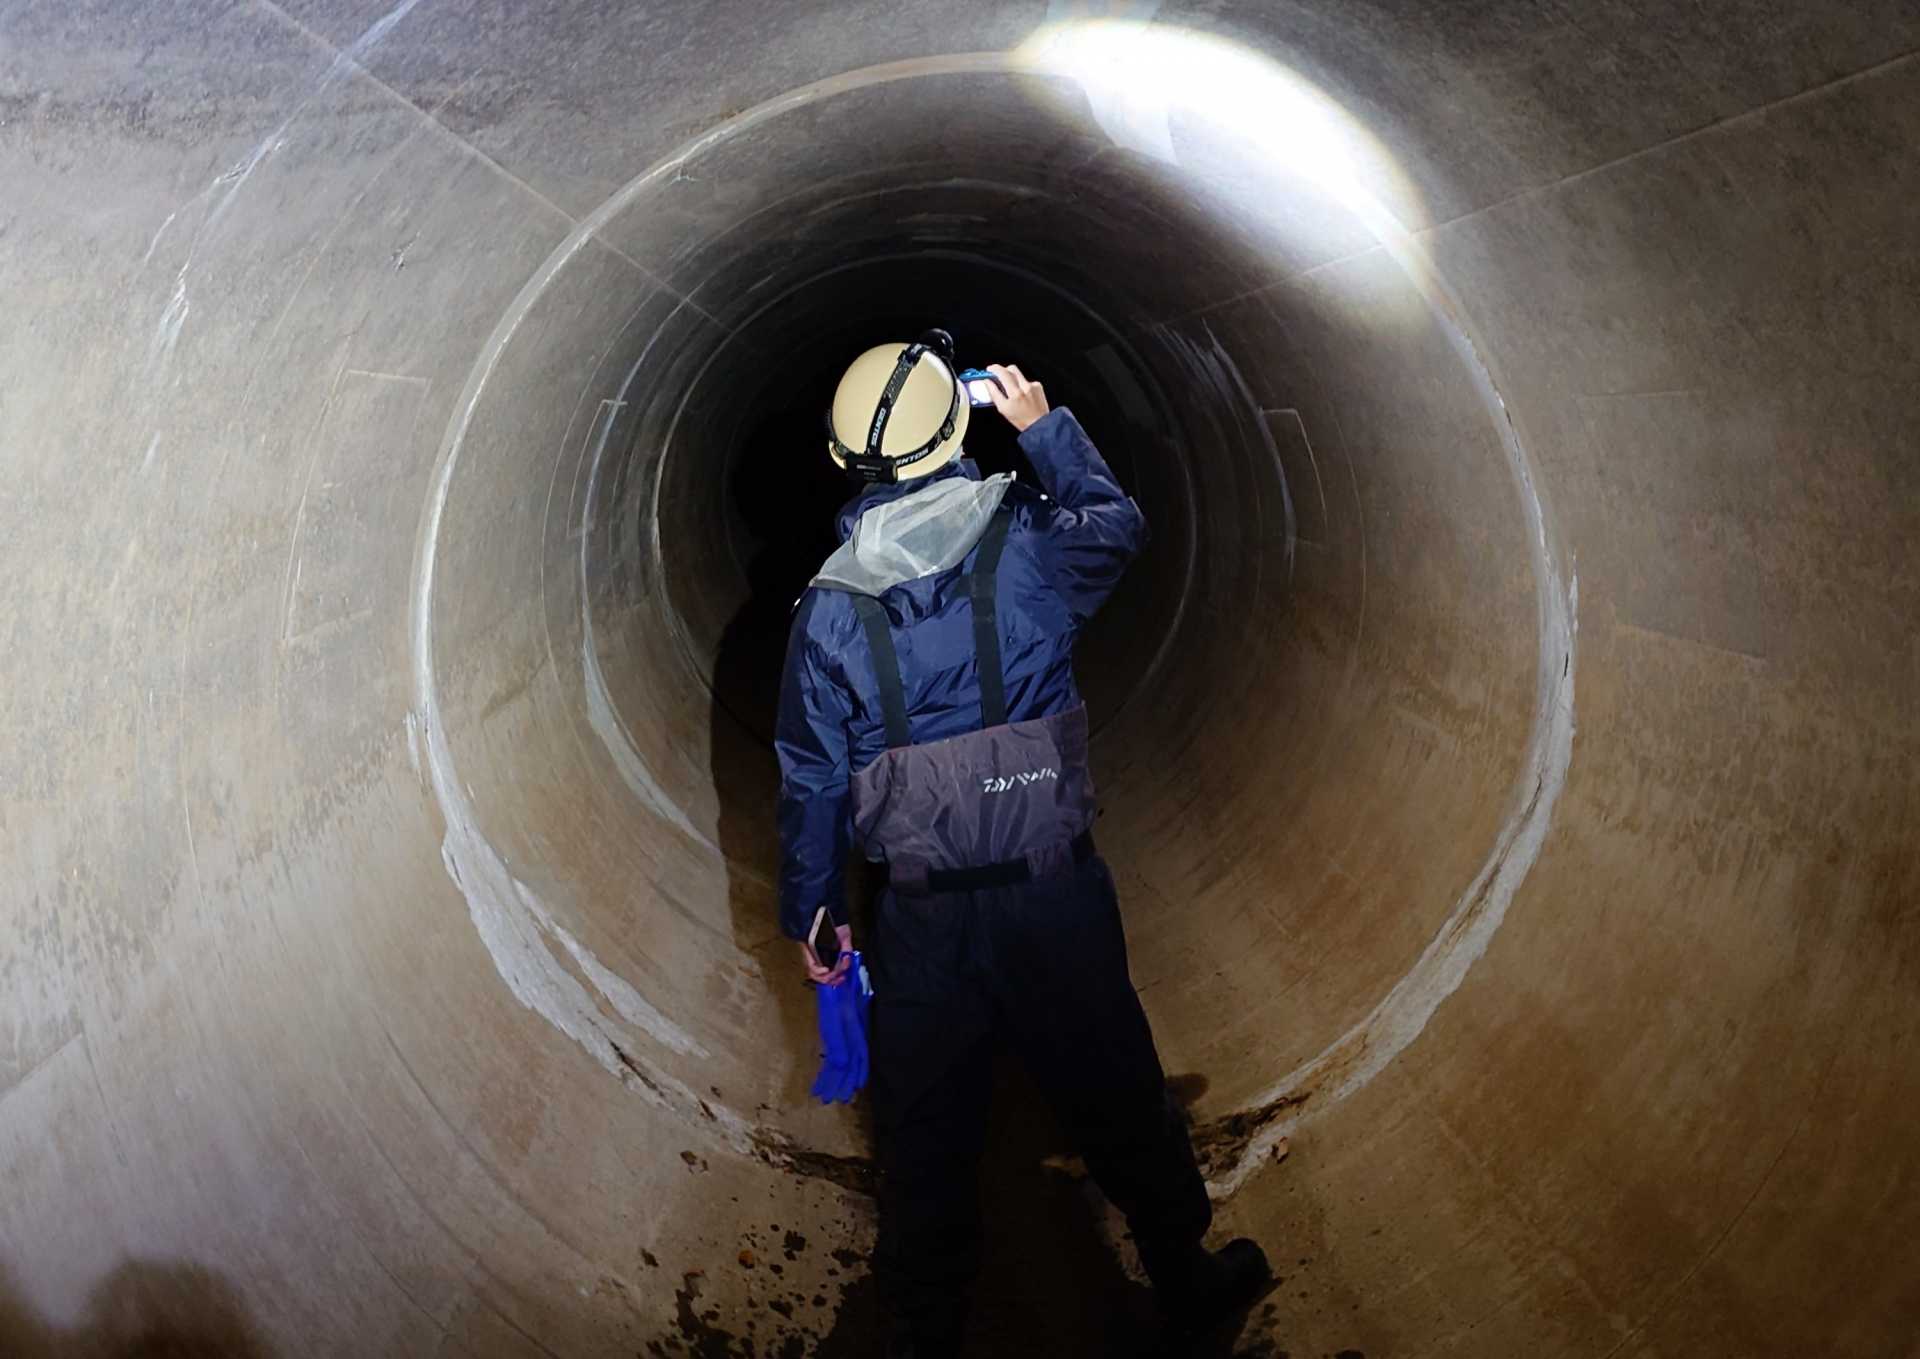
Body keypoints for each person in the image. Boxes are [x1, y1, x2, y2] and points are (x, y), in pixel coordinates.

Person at [774, 330, 1271, 1356]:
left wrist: (816, 915)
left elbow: (811, 778)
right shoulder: (1033, 542)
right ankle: (1185, 1276)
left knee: (924, 1136)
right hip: (1056, 897)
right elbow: (1116, 527)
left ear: (843, 461)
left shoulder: (826, 613)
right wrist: (1046, 432)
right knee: (1118, 1090)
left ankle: (922, 1334)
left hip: (922, 918)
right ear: (958, 426)